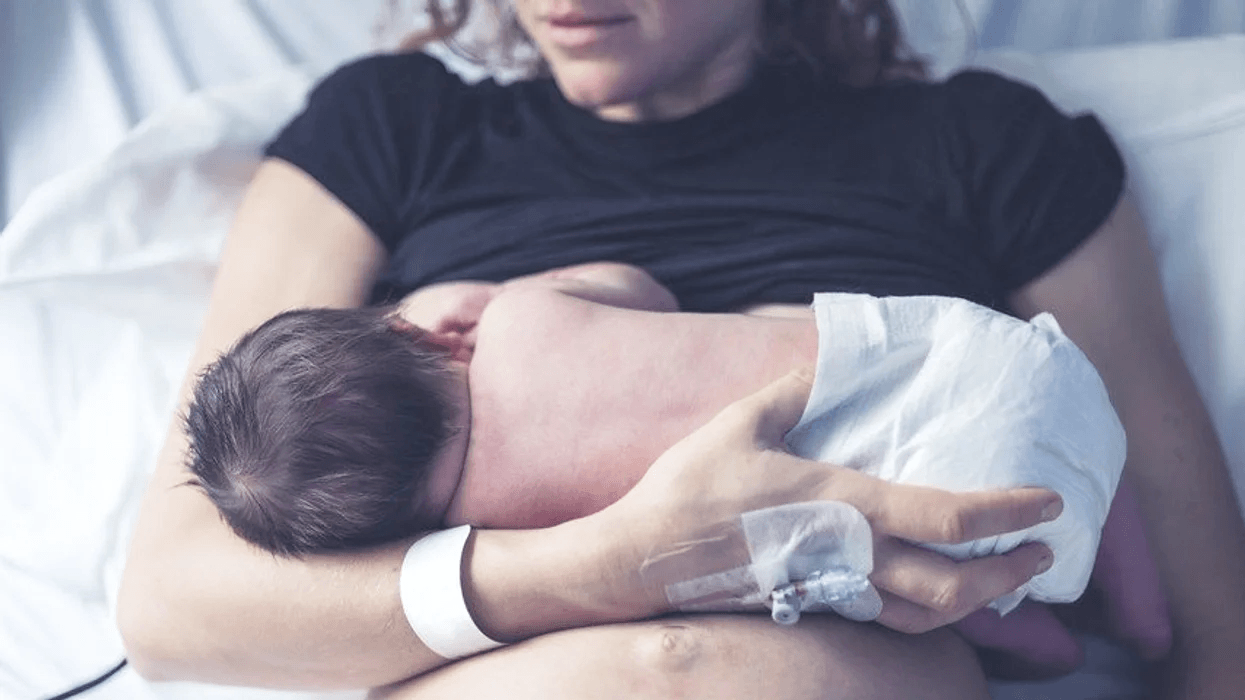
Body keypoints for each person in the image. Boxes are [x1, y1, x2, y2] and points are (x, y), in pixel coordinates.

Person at [115, 0, 1245, 698]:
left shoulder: (991, 148)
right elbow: (171, 600)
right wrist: (611, 562)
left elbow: (1212, 626)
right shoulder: (392, 130)